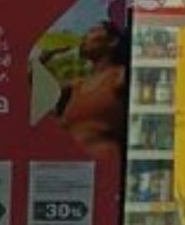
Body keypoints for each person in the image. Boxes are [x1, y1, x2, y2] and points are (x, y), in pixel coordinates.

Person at [39, 17, 130, 164]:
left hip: (104, 162)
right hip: (73, 165)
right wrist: (44, 56)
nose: (84, 37)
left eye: (92, 31)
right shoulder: (78, 85)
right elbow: (33, 87)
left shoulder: (119, 76)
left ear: (112, 41)